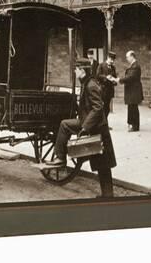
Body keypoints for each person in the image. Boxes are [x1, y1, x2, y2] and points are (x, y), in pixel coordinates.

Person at [47, 58, 117, 198]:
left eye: (77, 69)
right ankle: (108, 195)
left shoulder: (90, 85)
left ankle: (61, 158)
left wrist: (85, 127)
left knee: (64, 125)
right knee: (103, 163)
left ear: (83, 71)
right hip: (96, 126)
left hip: (96, 127)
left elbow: (98, 108)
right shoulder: (87, 83)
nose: (74, 71)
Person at [110, 50, 143, 132]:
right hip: (132, 90)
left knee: (133, 108)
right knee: (131, 107)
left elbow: (130, 77)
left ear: (132, 56)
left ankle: (135, 126)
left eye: (127, 57)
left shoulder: (136, 66)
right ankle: (132, 124)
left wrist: (119, 80)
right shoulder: (133, 65)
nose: (127, 59)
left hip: (134, 90)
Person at [96, 51, 117, 122]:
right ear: (108, 58)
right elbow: (98, 75)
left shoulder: (113, 67)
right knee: (102, 107)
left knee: (107, 108)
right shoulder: (101, 65)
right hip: (103, 89)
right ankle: (102, 123)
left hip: (110, 90)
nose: (112, 61)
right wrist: (106, 77)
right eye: (111, 59)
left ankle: (105, 123)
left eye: (113, 60)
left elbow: (115, 76)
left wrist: (114, 80)